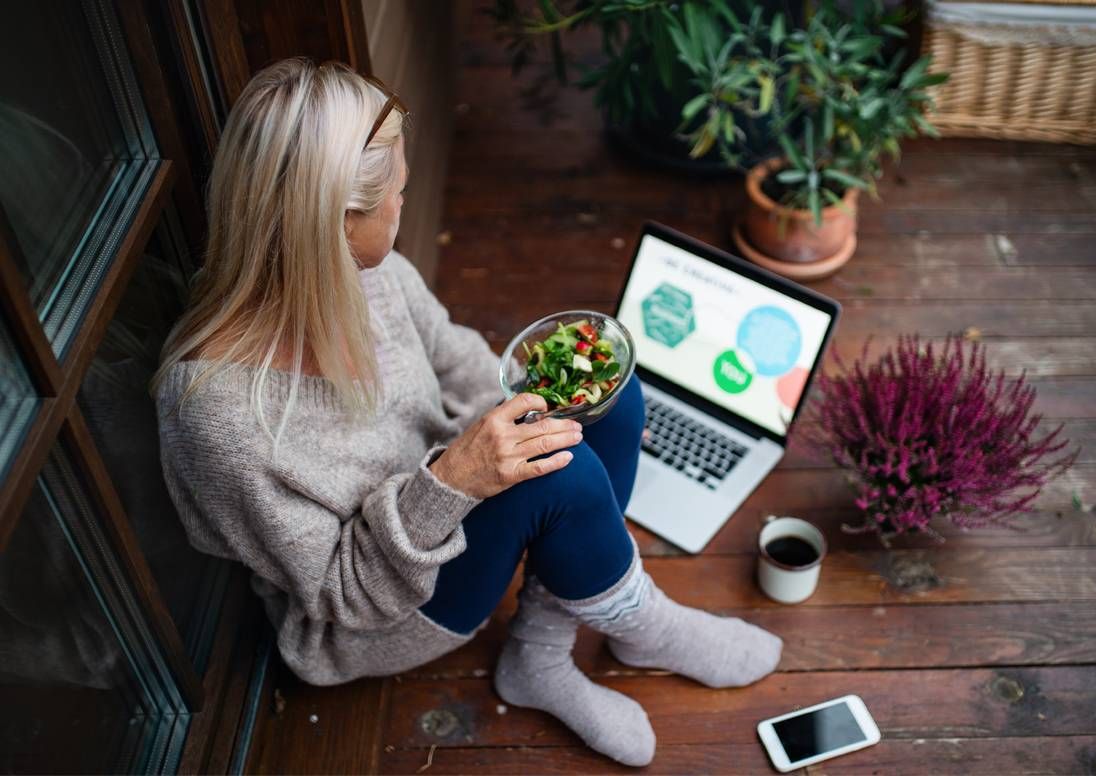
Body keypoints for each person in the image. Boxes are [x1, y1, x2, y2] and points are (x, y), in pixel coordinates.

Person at [150, 58, 782, 767]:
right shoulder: (220, 417)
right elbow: (340, 594)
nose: (401, 206)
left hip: (443, 499)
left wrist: (530, 398)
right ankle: (642, 621)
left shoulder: (373, 273)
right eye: (398, 193)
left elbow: (461, 363)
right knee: (559, 475)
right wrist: (453, 482)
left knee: (610, 389)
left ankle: (540, 655)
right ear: (334, 223)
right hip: (380, 612)